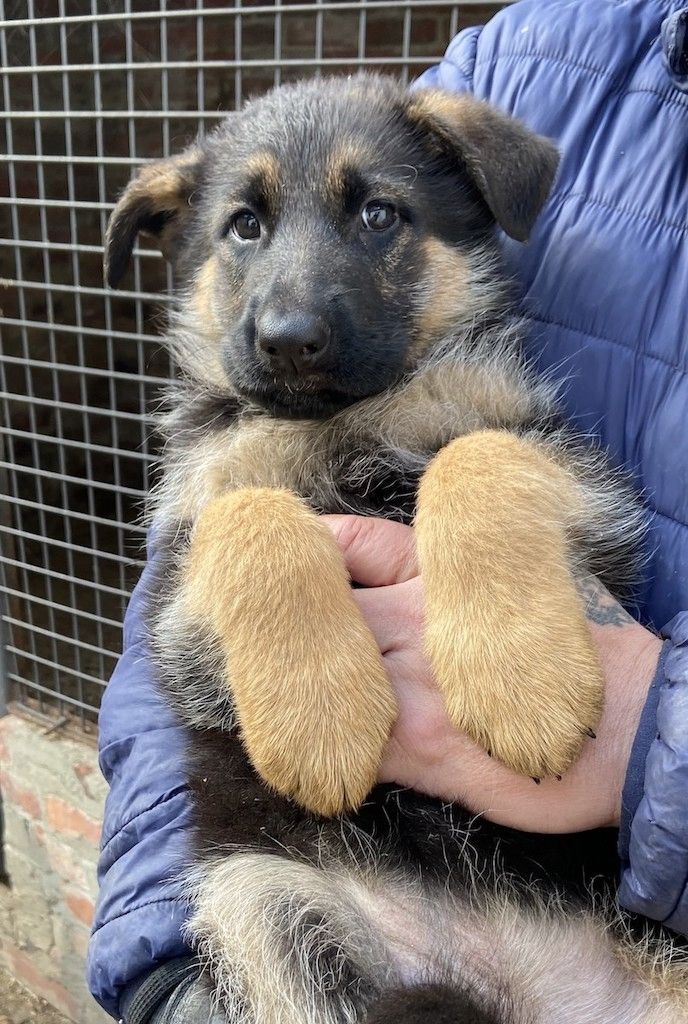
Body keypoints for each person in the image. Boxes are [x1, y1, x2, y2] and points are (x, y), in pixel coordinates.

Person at [88, 1, 688, 1019]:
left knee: (489, 464)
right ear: (181, 248)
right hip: (320, 908)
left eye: (375, 217)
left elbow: (592, 521)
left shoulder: (477, 403)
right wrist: (167, 978)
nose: (291, 311)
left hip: (601, 935)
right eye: (246, 224)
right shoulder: (534, 48)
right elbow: (179, 663)